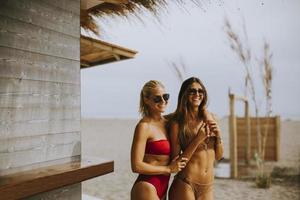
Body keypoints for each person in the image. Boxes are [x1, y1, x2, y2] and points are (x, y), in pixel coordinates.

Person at [168, 77, 224, 200]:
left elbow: (218, 156)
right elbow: (176, 162)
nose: (197, 94)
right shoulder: (178, 123)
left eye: (200, 91)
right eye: (192, 91)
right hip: (186, 184)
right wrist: (198, 139)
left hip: (208, 187)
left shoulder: (211, 118)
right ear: (184, 95)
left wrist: (219, 135)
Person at [131, 80, 188, 200]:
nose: (163, 101)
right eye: (157, 98)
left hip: (163, 187)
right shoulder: (144, 127)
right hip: (146, 186)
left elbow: (187, 111)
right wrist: (168, 169)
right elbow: (136, 165)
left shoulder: (168, 123)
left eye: (165, 96)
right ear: (146, 100)